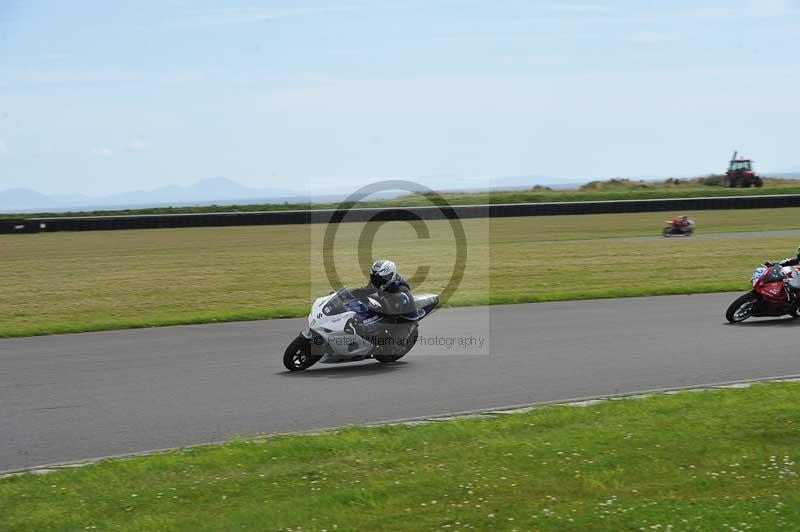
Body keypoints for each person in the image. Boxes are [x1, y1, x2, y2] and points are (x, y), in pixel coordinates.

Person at [350, 259, 417, 348]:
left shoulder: (399, 294)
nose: (376, 282)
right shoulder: (380, 282)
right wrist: (342, 294)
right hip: (386, 305)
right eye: (374, 278)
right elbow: (364, 291)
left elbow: (390, 320)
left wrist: (366, 328)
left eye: (380, 279)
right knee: (363, 303)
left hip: (402, 320)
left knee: (390, 348)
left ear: (390, 276)